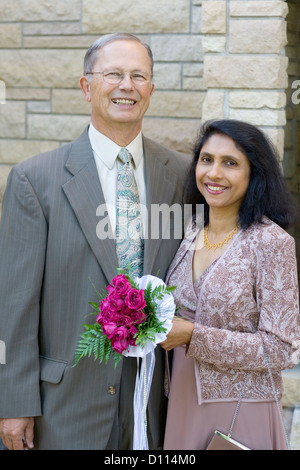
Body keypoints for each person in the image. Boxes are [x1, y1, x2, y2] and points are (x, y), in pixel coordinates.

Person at [0, 33, 190, 450]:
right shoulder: (36, 180)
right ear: (87, 87)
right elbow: (14, 305)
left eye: (139, 76)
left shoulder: (182, 175)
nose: (127, 85)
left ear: (152, 90)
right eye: (114, 74)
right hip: (65, 405)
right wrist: (13, 403)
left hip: (154, 400)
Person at [160, 119, 300, 450]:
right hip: (180, 397)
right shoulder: (191, 229)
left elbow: (281, 349)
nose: (214, 173)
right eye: (206, 159)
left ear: (255, 174)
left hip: (239, 409)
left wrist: (194, 336)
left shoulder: (270, 241)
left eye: (230, 163)